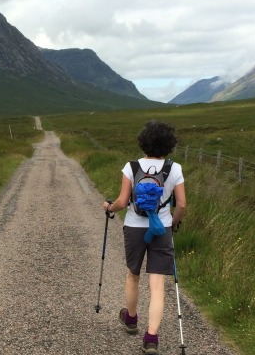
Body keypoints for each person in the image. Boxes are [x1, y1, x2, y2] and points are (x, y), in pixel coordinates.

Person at [102, 120, 187, 355]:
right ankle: (151, 338)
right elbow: (181, 204)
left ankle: (130, 319)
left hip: (134, 227)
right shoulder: (175, 169)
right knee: (158, 285)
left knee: (133, 274)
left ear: (143, 142)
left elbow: (121, 202)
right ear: (169, 144)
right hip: (162, 229)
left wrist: (109, 208)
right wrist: (174, 222)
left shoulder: (131, 167)